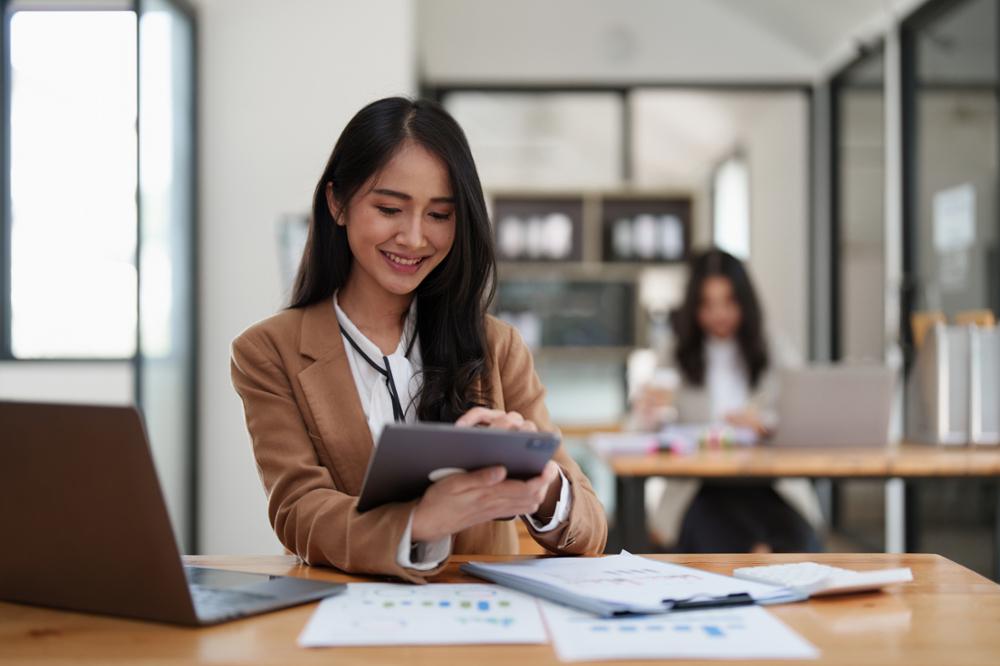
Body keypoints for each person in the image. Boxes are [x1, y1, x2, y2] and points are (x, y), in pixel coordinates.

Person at [230, 97, 607, 583]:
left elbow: (591, 529)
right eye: (390, 208)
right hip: (350, 623)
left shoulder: (497, 346)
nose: (413, 237)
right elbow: (298, 511)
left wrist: (546, 488)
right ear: (337, 203)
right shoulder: (268, 352)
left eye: (440, 215)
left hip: (482, 626)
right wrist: (420, 522)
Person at [643, 249, 822, 553]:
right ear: (693, 306)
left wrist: (765, 424)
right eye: (707, 304)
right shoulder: (674, 353)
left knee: (800, 541)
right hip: (700, 487)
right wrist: (650, 414)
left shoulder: (772, 345)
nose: (719, 314)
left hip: (767, 484)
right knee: (723, 539)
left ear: (745, 301)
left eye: (729, 301)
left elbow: (805, 414)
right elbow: (644, 427)